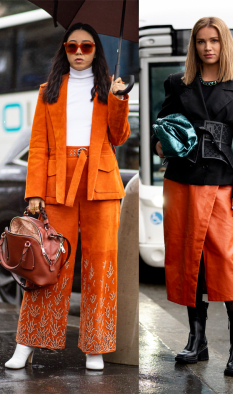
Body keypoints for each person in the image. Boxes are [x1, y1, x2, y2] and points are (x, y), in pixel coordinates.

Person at [4, 23, 130, 371]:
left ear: (95, 50)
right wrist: (34, 194)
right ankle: (28, 343)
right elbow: (39, 146)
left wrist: (120, 99)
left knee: (100, 266)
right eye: (72, 45)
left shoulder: (109, 89)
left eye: (86, 46)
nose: (78, 51)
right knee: (47, 263)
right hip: (58, 185)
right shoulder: (48, 91)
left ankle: (96, 346)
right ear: (63, 48)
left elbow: (118, 137)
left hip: (101, 184)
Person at [152, 16, 233, 377]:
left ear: (224, 44)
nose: (207, 47)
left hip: (221, 182)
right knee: (189, 257)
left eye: (214, 41)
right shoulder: (177, 82)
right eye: (201, 41)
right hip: (181, 181)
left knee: (226, 260)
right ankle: (196, 340)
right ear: (194, 46)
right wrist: (161, 145)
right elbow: (162, 127)